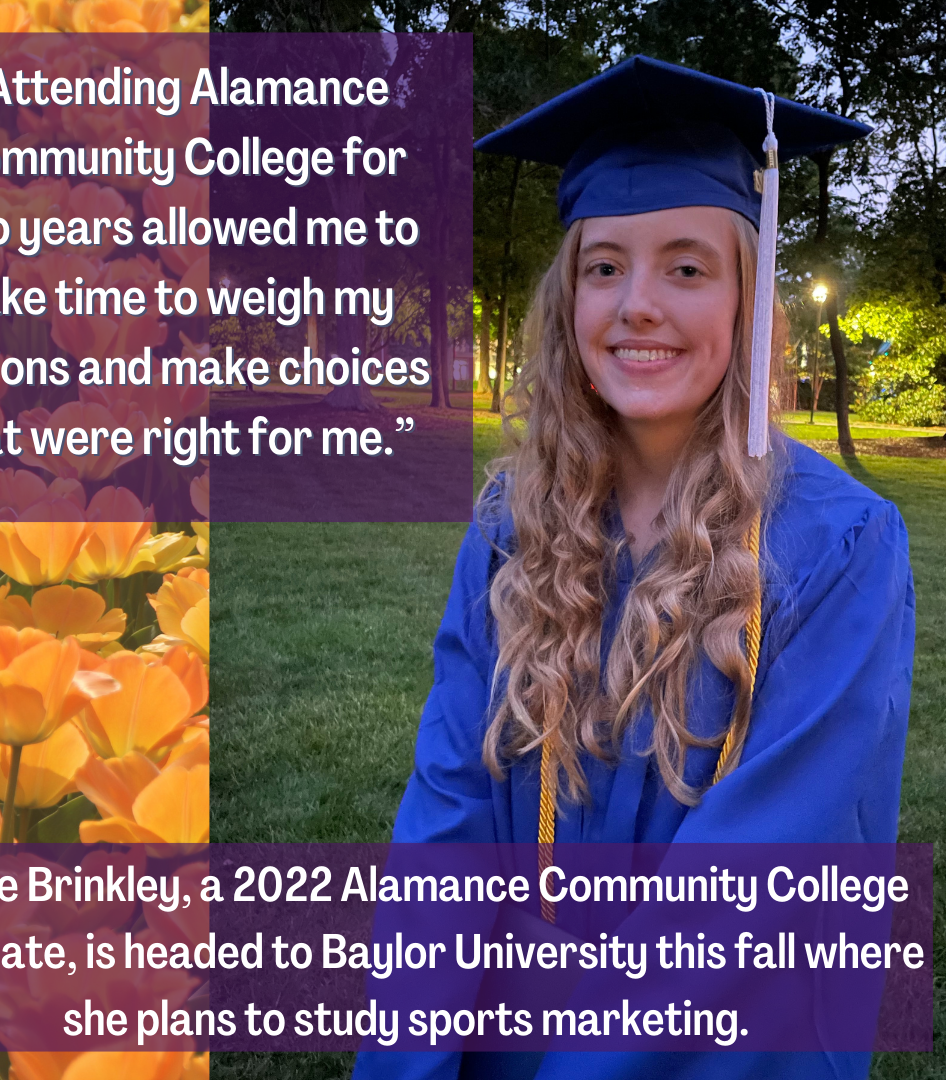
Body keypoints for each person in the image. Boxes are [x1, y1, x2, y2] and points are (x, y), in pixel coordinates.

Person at [352, 55, 916, 1080]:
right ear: (569, 298)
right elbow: (446, 818)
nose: (637, 304)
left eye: (687, 269)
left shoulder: (839, 546)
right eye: (605, 266)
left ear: (747, 301)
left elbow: (745, 889)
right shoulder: (511, 529)